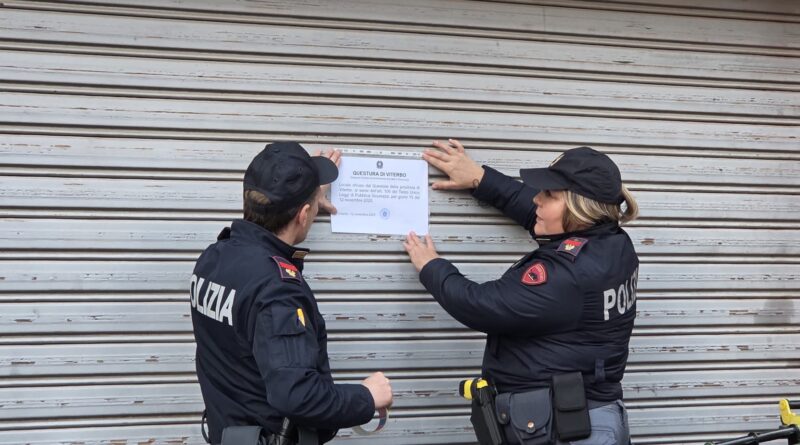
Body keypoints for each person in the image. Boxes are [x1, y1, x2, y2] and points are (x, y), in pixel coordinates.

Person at [403, 139, 639, 445]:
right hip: (591, 417)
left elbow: (480, 305)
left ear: (579, 209)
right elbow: (537, 212)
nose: (537, 199)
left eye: (549, 194)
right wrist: (480, 178)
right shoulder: (614, 243)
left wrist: (431, 266)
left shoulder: (566, 276)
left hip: (567, 431)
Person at [190, 141, 392, 445]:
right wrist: (367, 396)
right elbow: (297, 395)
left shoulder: (214, 258)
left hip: (229, 433)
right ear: (303, 214)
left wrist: (305, 201)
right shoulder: (277, 290)